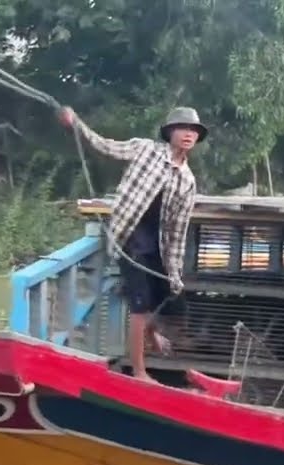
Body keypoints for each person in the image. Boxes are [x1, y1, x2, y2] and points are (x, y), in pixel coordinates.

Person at [58, 105, 205, 382]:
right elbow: (104, 146)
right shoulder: (146, 150)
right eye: (183, 128)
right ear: (170, 132)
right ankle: (139, 372)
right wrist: (76, 123)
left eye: (193, 131)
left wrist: (173, 272)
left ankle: (153, 335)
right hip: (129, 238)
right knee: (140, 307)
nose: (188, 134)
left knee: (165, 294)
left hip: (156, 244)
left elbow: (177, 230)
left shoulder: (187, 181)